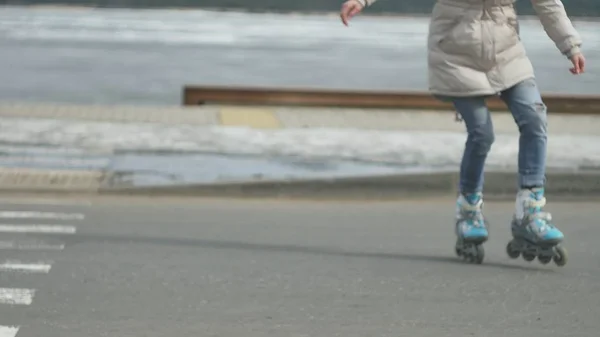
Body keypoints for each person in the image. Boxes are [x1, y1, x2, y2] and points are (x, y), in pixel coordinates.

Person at [340, 0, 585, 265]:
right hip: (454, 53)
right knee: (482, 132)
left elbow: (548, 4)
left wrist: (570, 45)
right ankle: (469, 211)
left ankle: (530, 212)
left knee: (534, 118)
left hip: (505, 50)